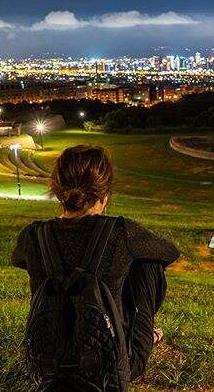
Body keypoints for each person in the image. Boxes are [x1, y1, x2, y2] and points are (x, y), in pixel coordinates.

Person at [12, 145, 179, 390]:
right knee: (149, 263)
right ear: (104, 195)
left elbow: (19, 260)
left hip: (47, 363)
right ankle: (142, 337)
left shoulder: (33, 235)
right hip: (111, 366)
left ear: (59, 193)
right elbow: (169, 252)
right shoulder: (121, 232)